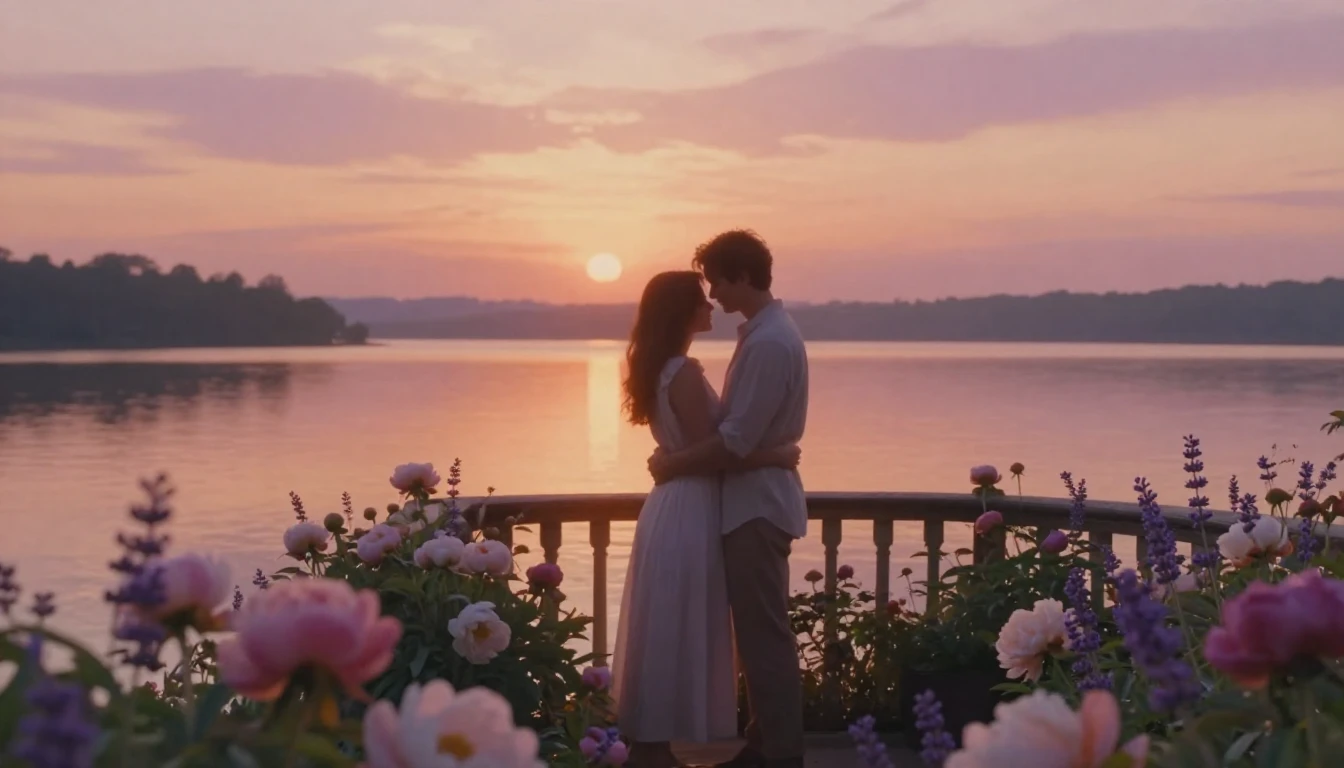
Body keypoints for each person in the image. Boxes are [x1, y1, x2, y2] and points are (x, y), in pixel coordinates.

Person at [611, 270, 801, 768]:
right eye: (700, 300)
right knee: (674, 622)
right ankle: (653, 749)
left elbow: (700, 449)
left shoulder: (664, 368)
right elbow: (713, 453)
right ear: (681, 312)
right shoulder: (684, 373)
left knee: (667, 621)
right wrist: (777, 456)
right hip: (689, 506)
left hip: (675, 504)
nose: (710, 305)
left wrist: (674, 461)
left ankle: (652, 746)